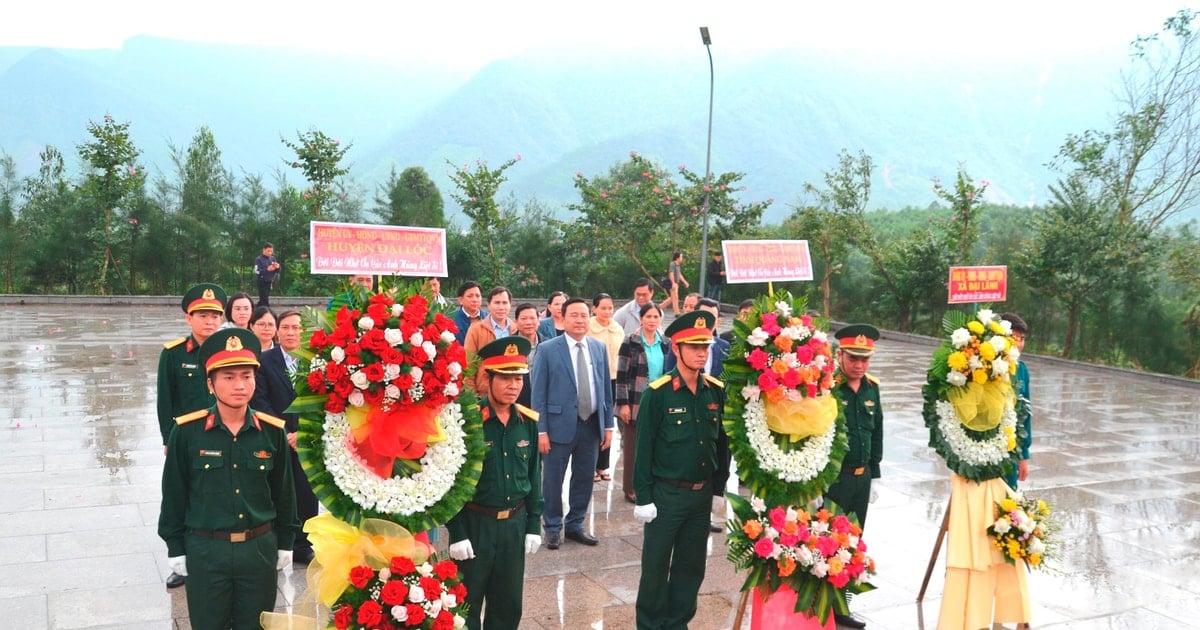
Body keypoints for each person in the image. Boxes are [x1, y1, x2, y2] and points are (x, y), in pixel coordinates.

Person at [158, 327, 299, 630]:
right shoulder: (186, 432)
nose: (240, 385)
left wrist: (286, 541)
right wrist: (175, 546)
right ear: (210, 384)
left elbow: (284, 492)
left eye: (247, 376)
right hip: (207, 551)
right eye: (229, 377)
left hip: (258, 550)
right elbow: (174, 494)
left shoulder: (272, 431)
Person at [631, 310, 730, 629]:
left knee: (691, 568)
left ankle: (677, 623)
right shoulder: (658, 394)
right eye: (694, 346)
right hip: (667, 496)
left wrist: (718, 489)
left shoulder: (715, 390)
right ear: (676, 348)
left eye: (706, 346)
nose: (702, 352)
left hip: (699, 499)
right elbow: (642, 449)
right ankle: (649, 624)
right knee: (656, 567)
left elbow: (722, 445)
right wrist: (643, 497)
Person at [446, 336, 544, 630]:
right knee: (466, 604)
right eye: (506, 378)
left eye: (519, 378)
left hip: (514, 525)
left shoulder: (527, 422)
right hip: (477, 524)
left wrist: (533, 525)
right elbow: (451, 481)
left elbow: (533, 477)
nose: (514, 386)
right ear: (488, 379)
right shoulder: (468, 421)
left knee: (508, 604)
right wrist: (457, 531)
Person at [156, 282, 227, 589]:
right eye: (202, 315)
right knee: (181, 498)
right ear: (189, 318)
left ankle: (221, 556)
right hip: (186, 441)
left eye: (215, 315)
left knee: (223, 494)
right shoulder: (173, 354)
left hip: (225, 437)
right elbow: (165, 400)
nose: (209, 321)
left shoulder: (230, 351)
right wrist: (167, 440)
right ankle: (180, 561)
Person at [530, 297, 614, 550]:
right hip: (557, 427)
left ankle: (576, 523)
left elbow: (605, 390)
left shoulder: (598, 348)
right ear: (562, 318)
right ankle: (553, 527)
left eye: (583, 315)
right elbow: (538, 393)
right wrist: (541, 430)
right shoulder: (547, 349)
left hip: (590, 425)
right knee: (553, 480)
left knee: (584, 478)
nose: (579, 320)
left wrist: (607, 425)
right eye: (574, 315)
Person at [825, 323, 882, 630]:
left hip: (862, 480)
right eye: (854, 358)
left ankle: (842, 606)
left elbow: (878, 432)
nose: (859, 365)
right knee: (828, 543)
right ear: (840, 354)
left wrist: (876, 474)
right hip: (835, 480)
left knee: (853, 544)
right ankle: (822, 604)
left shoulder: (873, 387)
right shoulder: (828, 387)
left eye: (865, 359)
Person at [250, 309, 317, 565]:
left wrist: (305, 431)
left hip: (306, 437)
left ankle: (302, 544)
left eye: (296, 328)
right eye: (286, 327)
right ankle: (274, 541)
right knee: (274, 489)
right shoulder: (264, 361)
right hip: (274, 437)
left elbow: (323, 402)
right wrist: (284, 432)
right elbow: (260, 400)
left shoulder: (315, 361)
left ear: (304, 331)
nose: (291, 332)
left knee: (306, 490)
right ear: (277, 331)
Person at [664, 297, 731, 532]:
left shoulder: (724, 348)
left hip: (711, 410)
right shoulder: (680, 345)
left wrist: (718, 489)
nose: (701, 352)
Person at [615, 302, 671, 503]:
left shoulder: (666, 343)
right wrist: (623, 404)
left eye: (656, 317)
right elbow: (621, 374)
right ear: (641, 318)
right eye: (648, 317)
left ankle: (651, 484)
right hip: (636, 401)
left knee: (655, 446)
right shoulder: (630, 341)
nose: (652, 321)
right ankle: (630, 488)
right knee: (633, 447)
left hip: (659, 401)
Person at [587, 292, 623, 484]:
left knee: (608, 422)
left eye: (610, 308)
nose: (607, 311)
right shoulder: (588, 328)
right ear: (594, 309)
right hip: (593, 380)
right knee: (594, 422)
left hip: (613, 379)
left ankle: (603, 465)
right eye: (603, 308)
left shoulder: (617, 328)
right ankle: (592, 465)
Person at [465, 286, 517, 398]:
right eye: (497, 303)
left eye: (505, 303)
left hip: (512, 393)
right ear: (488, 305)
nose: (501, 307)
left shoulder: (516, 329)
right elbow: (468, 365)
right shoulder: (476, 329)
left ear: (510, 305)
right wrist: (472, 398)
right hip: (485, 393)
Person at [1001, 312, 1032, 489]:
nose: (1019, 344)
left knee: (1006, 500)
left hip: (1010, 449)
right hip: (984, 452)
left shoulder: (1022, 370)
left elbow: (1024, 415)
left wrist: (1023, 456)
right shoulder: (983, 366)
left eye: (1022, 339)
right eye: (1014, 338)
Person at [513, 302, 548, 409]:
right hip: (517, 405)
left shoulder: (548, 346)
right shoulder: (507, 346)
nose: (528, 322)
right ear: (516, 321)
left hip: (543, 404)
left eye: (532, 318)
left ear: (538, 321)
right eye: (524, 319)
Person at [658, 251, 689, 318]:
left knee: (673, 298)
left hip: (676, 283)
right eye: (681, 257)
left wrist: (685, 282)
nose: (682, 258)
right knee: (675, 298)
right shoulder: (673, 264)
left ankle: (659, 307)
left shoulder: (678, 265)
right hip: (673, 283)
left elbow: (679, 274)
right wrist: (673, 283)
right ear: (677, 258)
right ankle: (677, 313)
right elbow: (671, 274)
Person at [253, 243, 281, 307]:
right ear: (264, 250)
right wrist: (267, 270)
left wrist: (278, 267)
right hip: (262, 281)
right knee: (264, 298)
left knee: (264, 299)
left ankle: (257, 310)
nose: (270, 253)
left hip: (270, 281)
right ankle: (266, 311)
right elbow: (257, 271)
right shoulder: (258, 259)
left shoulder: (272, 259)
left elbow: (277, 271)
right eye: (268, 251)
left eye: (271, 251)